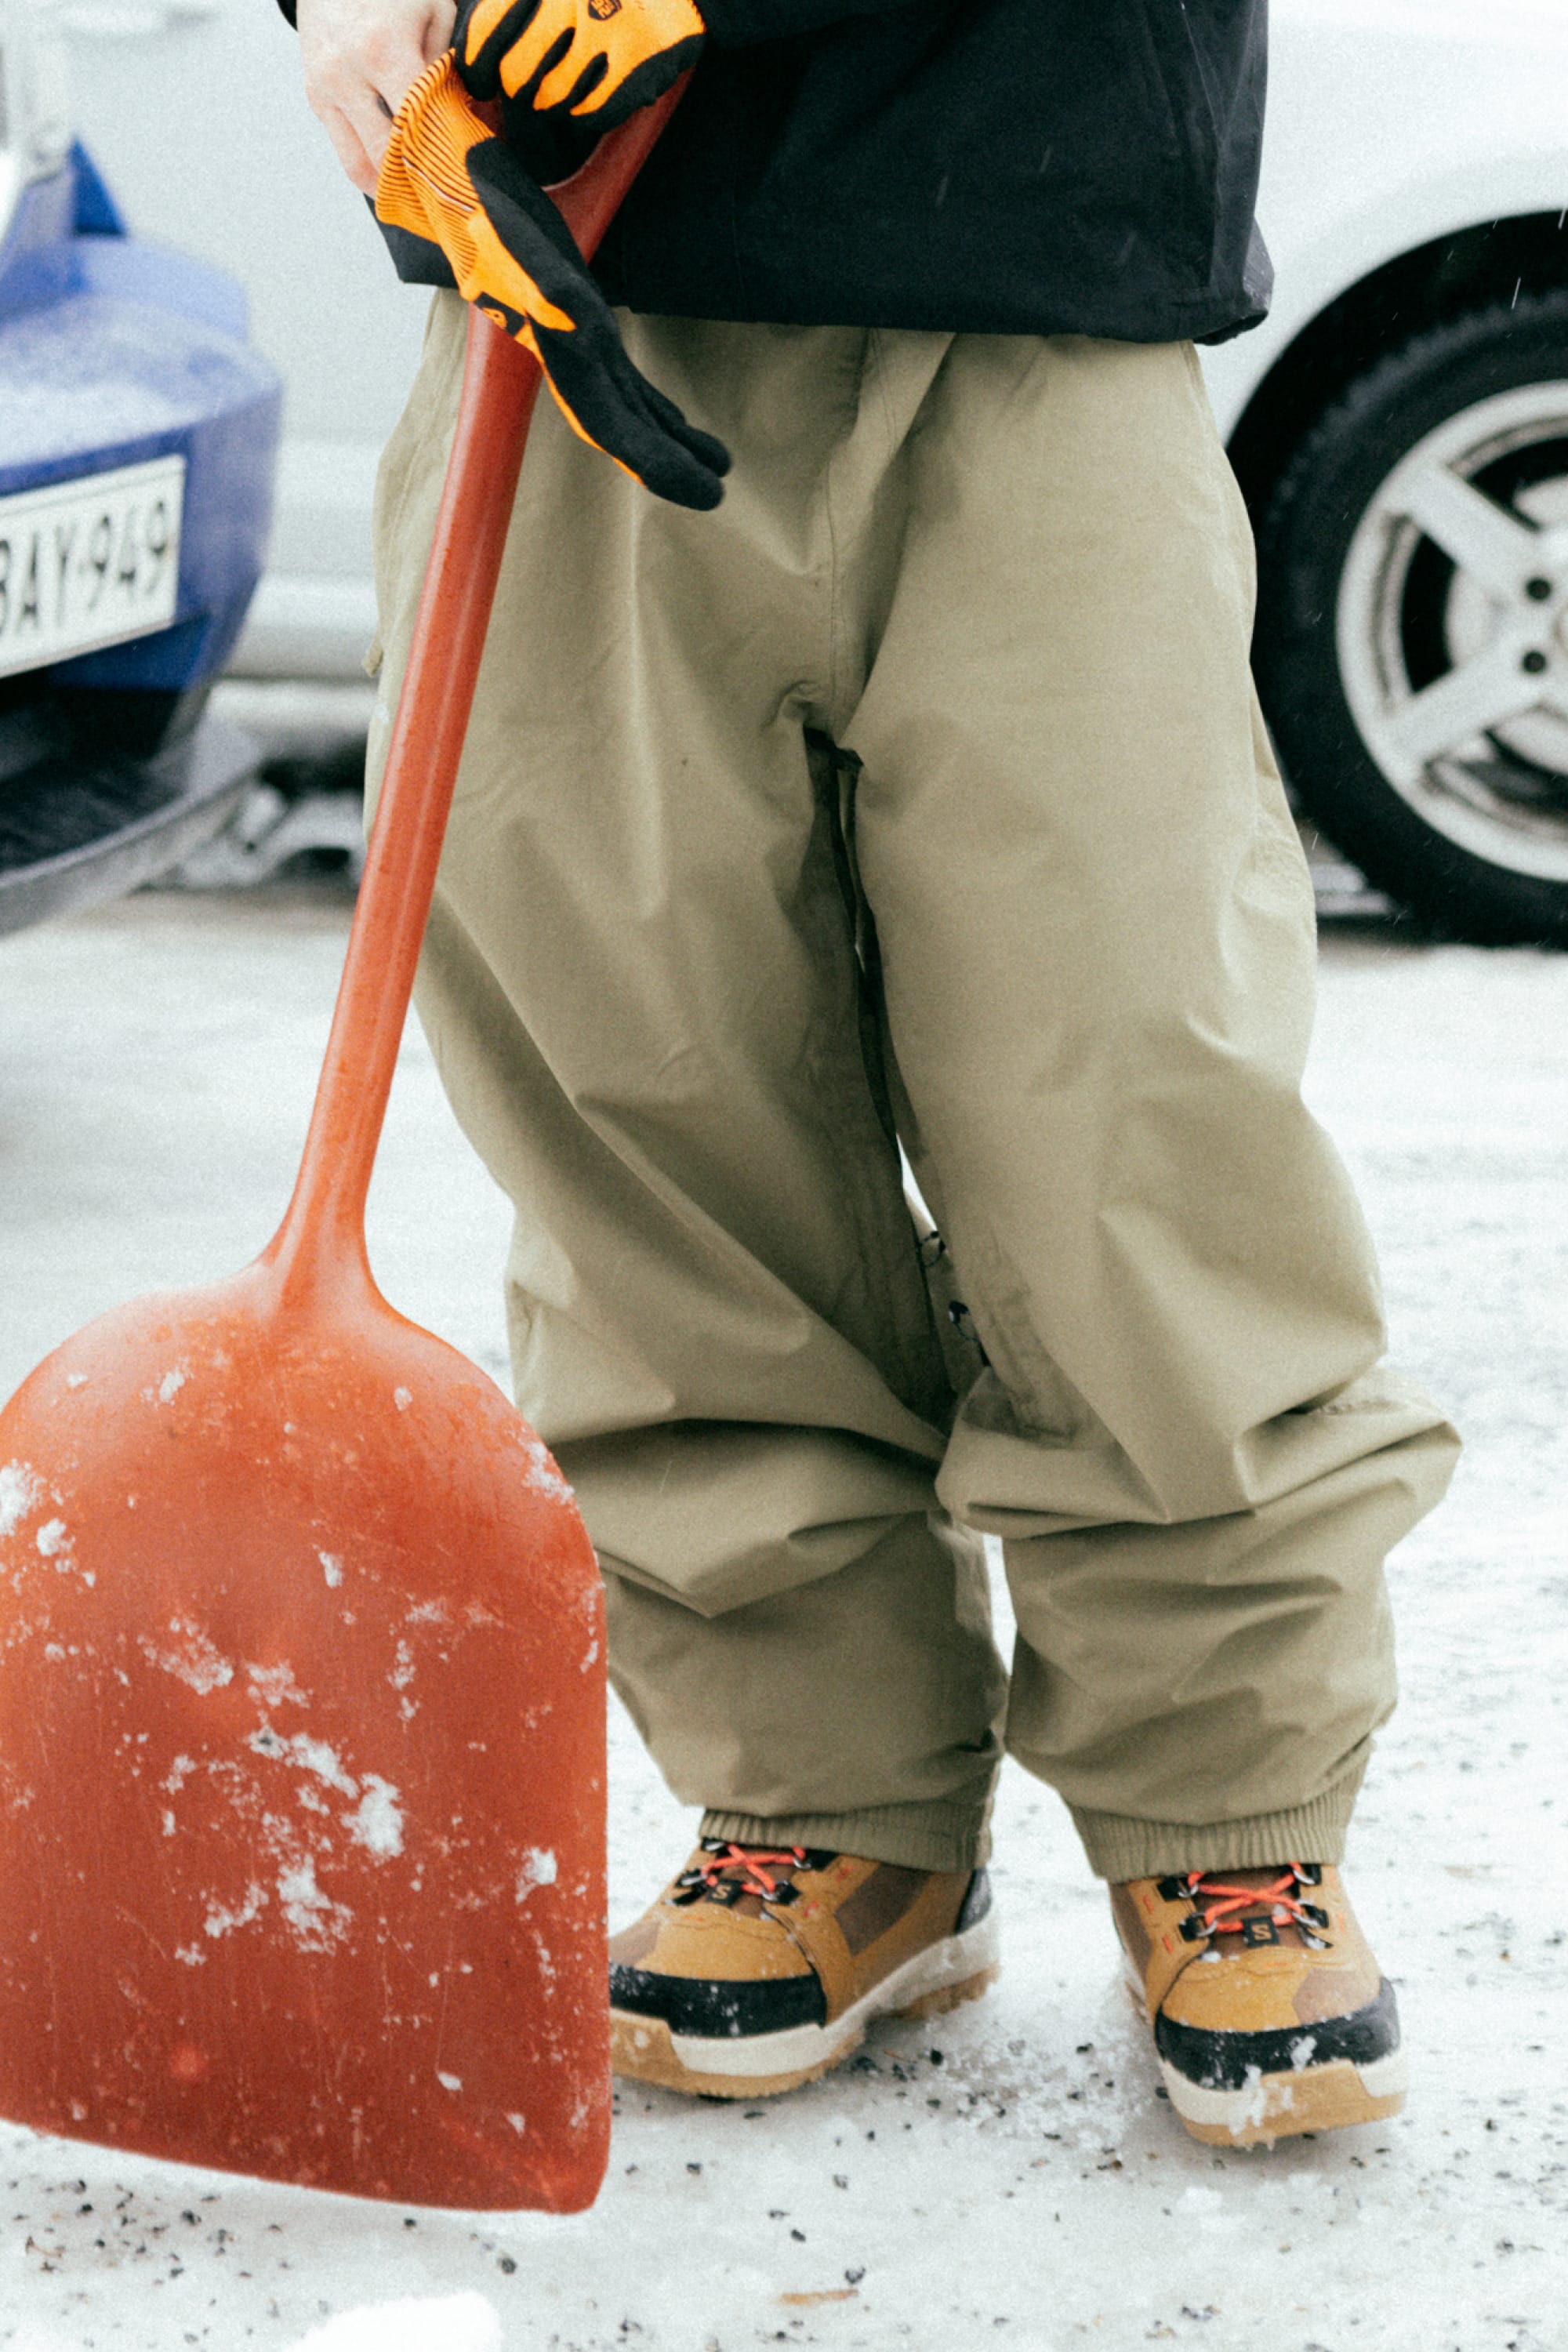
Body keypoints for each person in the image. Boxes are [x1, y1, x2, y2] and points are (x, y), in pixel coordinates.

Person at [288, 0, 1460, 2147]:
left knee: (1120, 1078)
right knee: (641, 1080)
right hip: (570, 264)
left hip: (1030, 232)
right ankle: (829, 1803)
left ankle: (1225, 1795)